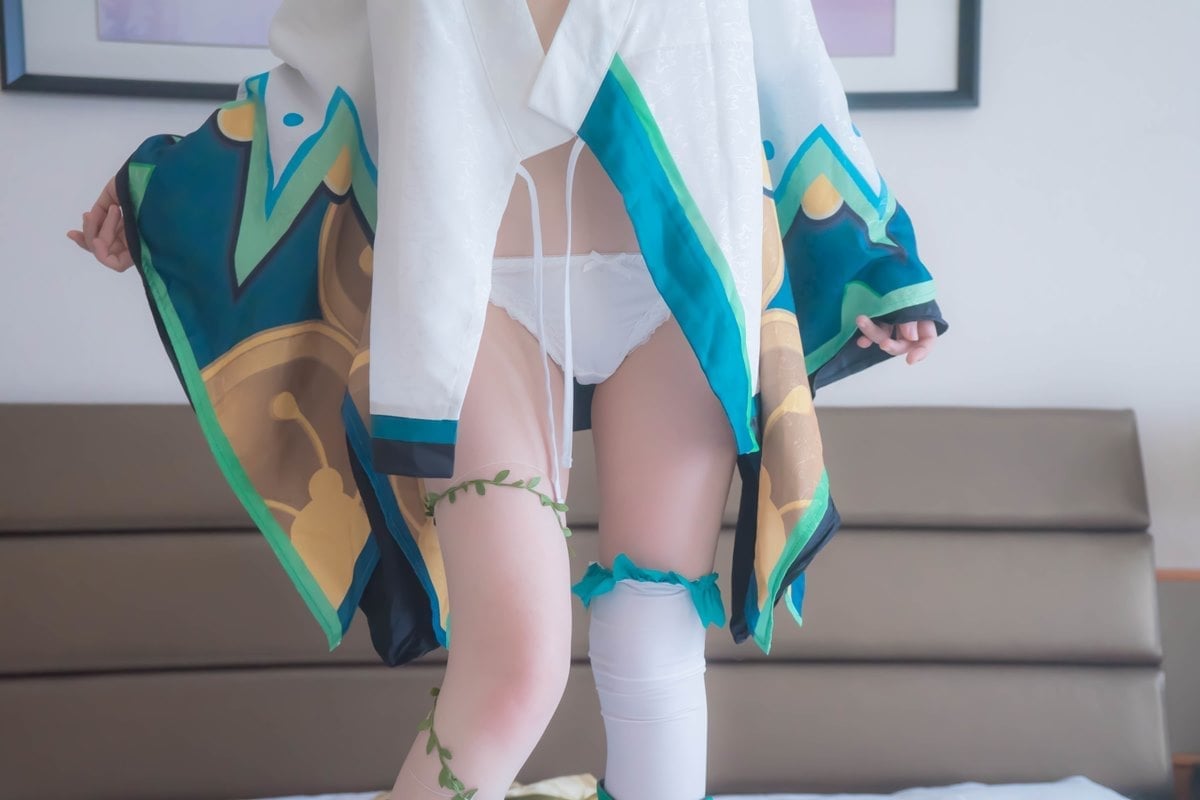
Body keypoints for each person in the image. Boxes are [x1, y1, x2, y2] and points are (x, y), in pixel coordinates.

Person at [67, 2, 946, 799]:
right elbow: (324, 60)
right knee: (514, 671)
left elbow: (783, 52)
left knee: (656, 642)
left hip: (681, 271)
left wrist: (875, 257)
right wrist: (168, 194)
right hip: (475, 283)